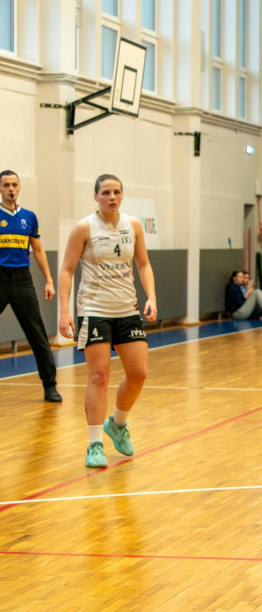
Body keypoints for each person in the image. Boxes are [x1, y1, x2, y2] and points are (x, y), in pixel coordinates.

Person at [57, 174, 156, 468]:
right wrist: (63, 312)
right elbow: (66, 270)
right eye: (105, 192)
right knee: (99, 376)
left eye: (116, 192)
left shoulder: (133, 225)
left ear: (122, 195)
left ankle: (117, 423)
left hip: (127, 308)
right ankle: (94, 444)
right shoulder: (84, 227)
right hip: (95, 309)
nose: (112, 197)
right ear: (96, 196)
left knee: (138, 374)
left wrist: (151, 296)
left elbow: (143, 264)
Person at [0, 170, 62, 402]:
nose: (11, 189)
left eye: (14, 184)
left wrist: (49, 280)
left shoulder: (29, 217)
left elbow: (38, 250)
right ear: (0, 189)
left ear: (19, 187)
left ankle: (50, 385)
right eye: (6, 185)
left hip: (22, 280)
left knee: (37, 334)